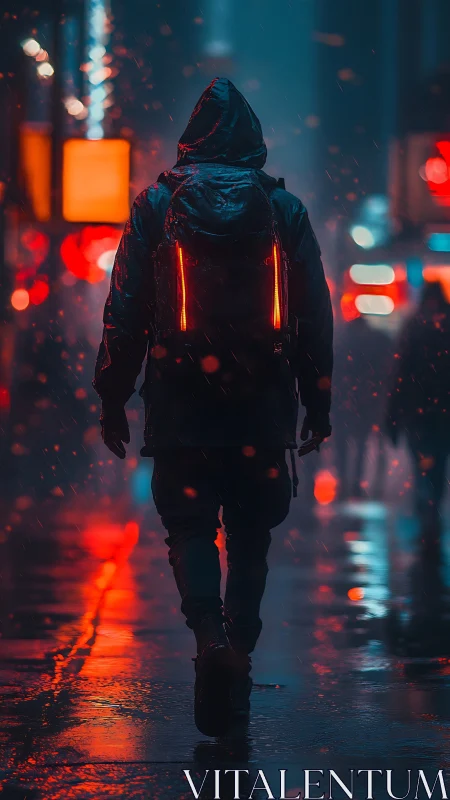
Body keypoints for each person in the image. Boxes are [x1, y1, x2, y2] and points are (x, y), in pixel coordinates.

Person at [93, 78, 333, 736]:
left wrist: (112, 395)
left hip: (181, 402)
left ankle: (209, 641)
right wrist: (319, 399)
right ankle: (241, 657)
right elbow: (313, 313)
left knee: (191, 527)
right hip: (263, 401)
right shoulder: (283, 209)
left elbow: (127, 310)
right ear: (254, 142)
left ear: (189, 140)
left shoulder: (157, 205)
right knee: (252, 535)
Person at [386, 281, 450, 538]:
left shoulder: (414, 327)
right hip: (444, 412)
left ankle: (425, 503)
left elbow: (400, 374)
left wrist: (393, 417)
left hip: (418, 412)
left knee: (421, 461)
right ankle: (432, 504)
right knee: (440, 462)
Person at [334, 315, 392, 500]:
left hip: (344, 400)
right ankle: (356, 483)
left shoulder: (343, 342)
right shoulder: (374, 343)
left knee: (342, 444)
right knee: (360, 443)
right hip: (363, 401)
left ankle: (343, 481)